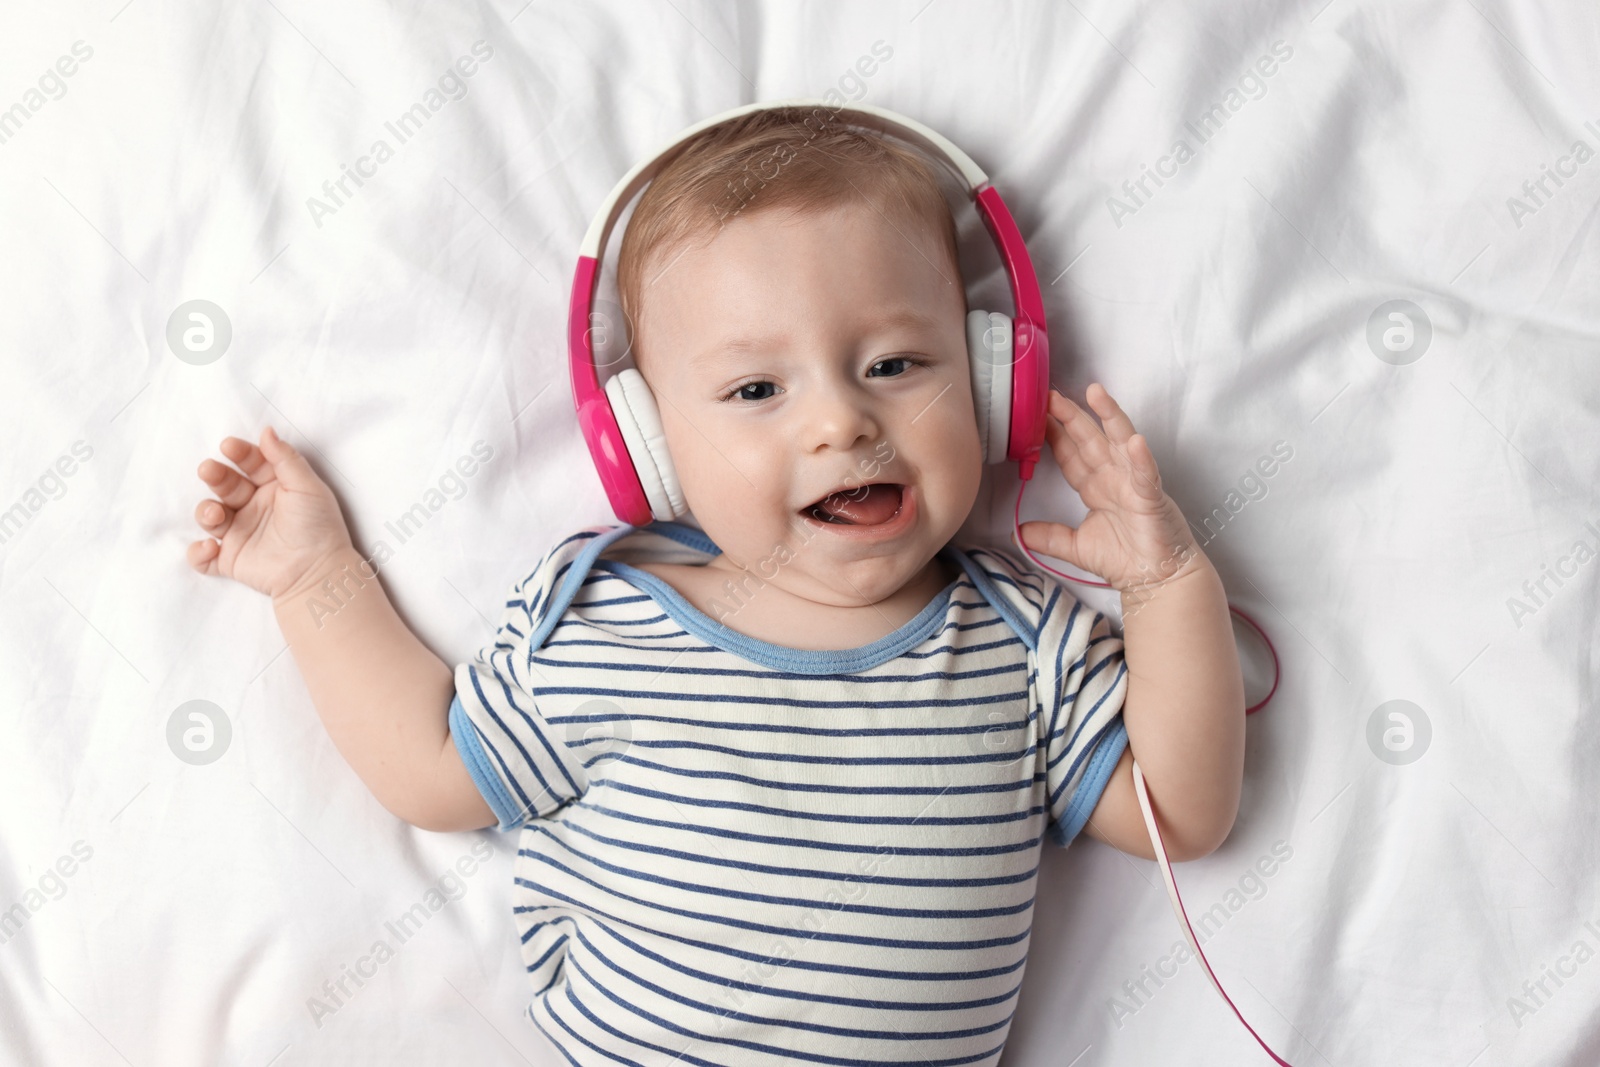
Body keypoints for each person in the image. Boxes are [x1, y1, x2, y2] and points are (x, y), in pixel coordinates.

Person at [186, 104, 1244, 1065]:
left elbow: (1181, 812)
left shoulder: (1022, 642)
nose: (841, 420)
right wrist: (315, 577)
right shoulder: (603, 623)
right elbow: (433, 771)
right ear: (648, 449)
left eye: (893, 364)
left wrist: (1163, 578)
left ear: (989, 381)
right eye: (754, 387)